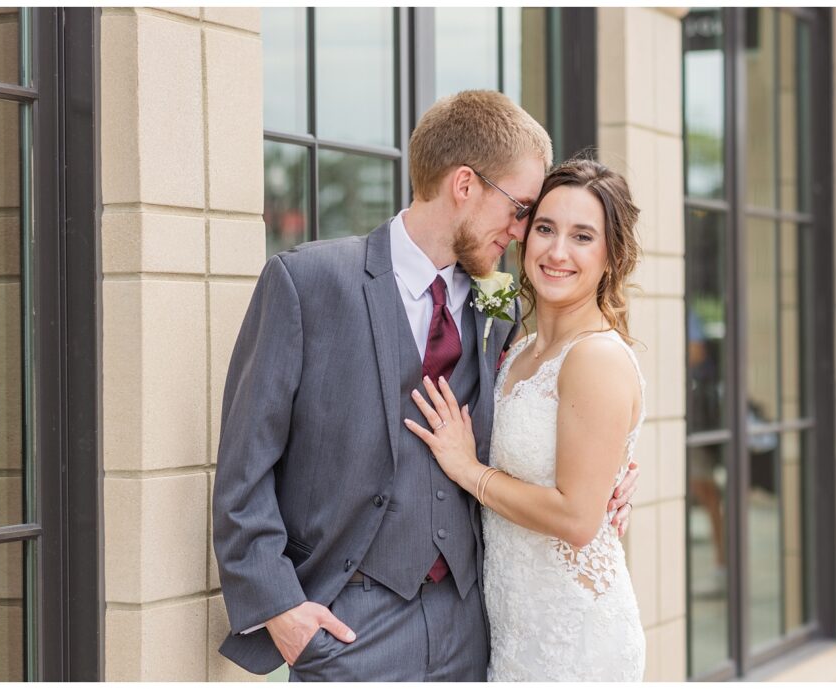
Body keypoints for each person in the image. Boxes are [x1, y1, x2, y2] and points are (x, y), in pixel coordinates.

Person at [212, 91, 638, 681]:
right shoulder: (307, 284)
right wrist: (280, 608)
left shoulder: (502, 313)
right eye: (520, 210)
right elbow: (244, 469)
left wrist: (609, 478)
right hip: (348, 625)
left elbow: (567, 418)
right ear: (465, 184)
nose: (521, 235)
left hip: (475, 626)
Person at [407, 158, 647, 681]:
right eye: (544, 228)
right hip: (514, 627)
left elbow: (580, 520)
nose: (557, 252)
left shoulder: (595, 357)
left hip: (574, 637)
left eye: (583, 236)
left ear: (612, 256)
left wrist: (469, 471)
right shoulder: (517, 341)